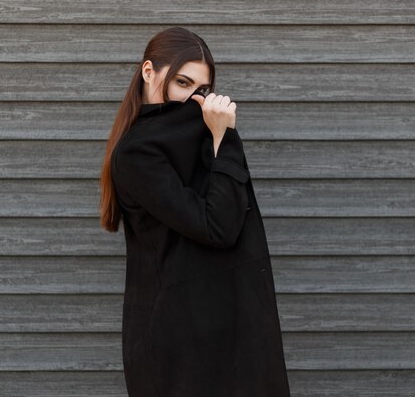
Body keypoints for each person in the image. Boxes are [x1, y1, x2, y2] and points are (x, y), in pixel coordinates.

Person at [99, 27, 291, 397]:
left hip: (228, 326)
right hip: (182, 341)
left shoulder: (203, 133)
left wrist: (220, 137)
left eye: (200, 90)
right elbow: (217, 227)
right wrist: (226, 139)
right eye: (182, 82)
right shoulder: (137, 154)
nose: (191, 99)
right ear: (149, 72)